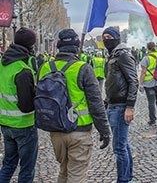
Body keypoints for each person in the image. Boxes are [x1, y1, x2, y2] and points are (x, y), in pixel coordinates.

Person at [38, 29, 110, 182]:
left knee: (63, 171)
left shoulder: (45, 67)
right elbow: (96, 104)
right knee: (76, 175)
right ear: (77, 47)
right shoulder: (83, 68)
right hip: (79, 131)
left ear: (58, 46)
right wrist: (104, 131)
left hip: (55, 131)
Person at [0, 27, 38, 182]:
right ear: (30, 46)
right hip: (23, 125)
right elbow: (26, 105)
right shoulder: (23, 70)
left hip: (5, 123)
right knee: (27, 169)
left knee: (8, 164)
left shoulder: (3, 64)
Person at [102, 27, 138, 183]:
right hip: (113, 104)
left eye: (109, 36)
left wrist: (130, 106)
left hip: (121, 106)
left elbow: (133, 81)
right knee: (123, 145)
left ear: (116, 38)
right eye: (104, 37)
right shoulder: (112, 56)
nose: (106, 39)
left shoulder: (123, 55)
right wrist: (106, 101)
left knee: (119, 147)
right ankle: (127, 177)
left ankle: (123, 180)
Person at [139, 42, 157, 125]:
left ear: (147, 48)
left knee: (151, 102)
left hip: (148, 83)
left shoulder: (146, 58)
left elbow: (143, 72)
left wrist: (141, 84)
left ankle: (152, 120)